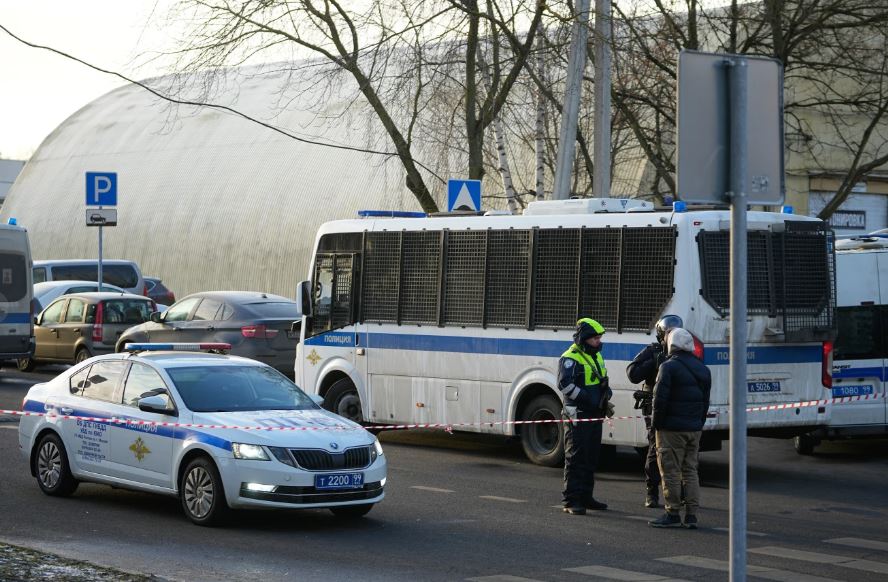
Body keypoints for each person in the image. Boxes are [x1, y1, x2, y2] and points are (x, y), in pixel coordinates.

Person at [648, 328, 711, 529]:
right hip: (694, 428)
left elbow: (659, 400)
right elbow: (705, 402)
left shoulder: (668, 367)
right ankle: (691, 515)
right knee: (691, 471)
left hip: (671, 429)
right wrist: (698, 424)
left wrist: (656, 425)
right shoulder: (703, 369)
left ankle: (672, 513)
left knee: (671, 471)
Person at [626, 314, 683, 509]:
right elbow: (632, 373)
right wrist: (654, 361)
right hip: (654, 406)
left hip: (676, 406)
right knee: (655, 448)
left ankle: (680, 492)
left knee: (679, 450)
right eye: (668, 332)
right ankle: (652, 492)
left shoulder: (684, 352)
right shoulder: (652, 351)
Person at [558, 318, 614, 516]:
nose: (599, 341)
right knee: (575, 457)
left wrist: (606, 394)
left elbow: (600, 377)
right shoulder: (570, 357)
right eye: (595, 338)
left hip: (593, 413)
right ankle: (571, 500)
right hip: (577, 414)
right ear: (584, 339)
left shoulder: (596, 355)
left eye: (599, 338)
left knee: (591, 456)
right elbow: (564, 385)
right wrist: (587, 398)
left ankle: (586, 497)